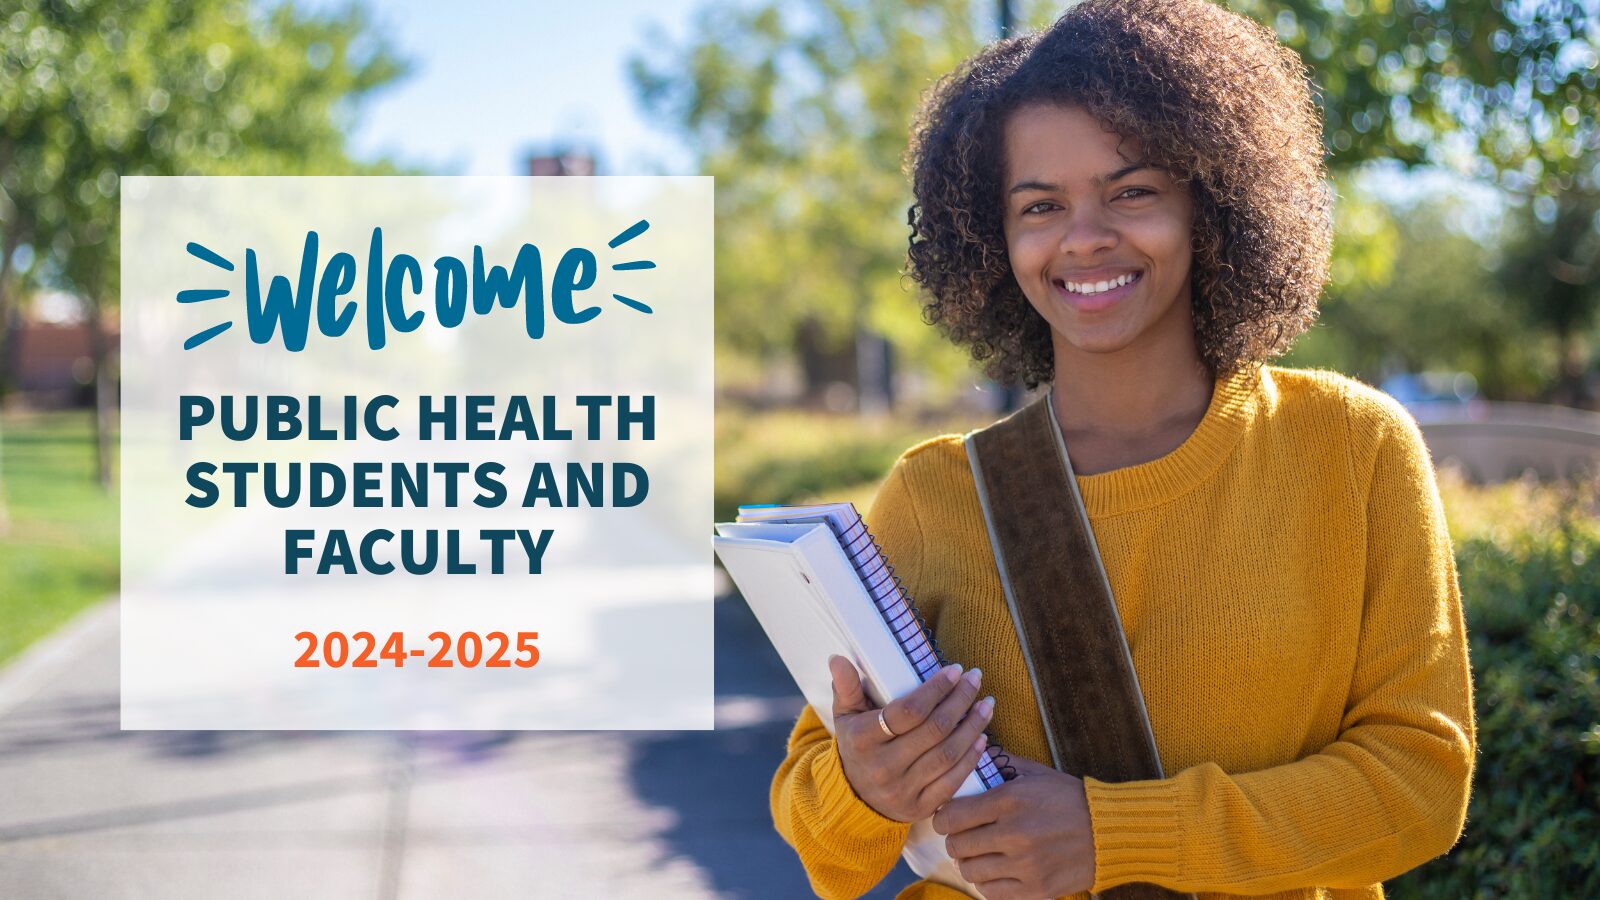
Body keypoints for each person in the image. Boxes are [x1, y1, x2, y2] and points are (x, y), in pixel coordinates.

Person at [768, 1, 1478, 898]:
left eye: (1132, 191)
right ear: (995, 239)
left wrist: (1116, 837)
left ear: (1211, 203)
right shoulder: (935, 494)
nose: (1085, 236)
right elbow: (817, 833)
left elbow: (1420, 786)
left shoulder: (1354, 449)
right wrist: (864, 786)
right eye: (1040, 205)